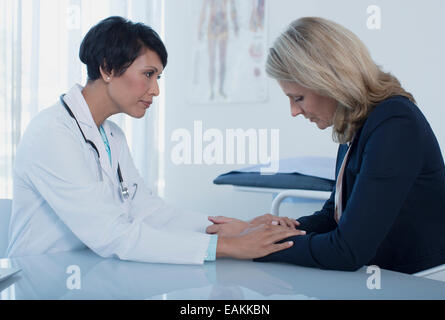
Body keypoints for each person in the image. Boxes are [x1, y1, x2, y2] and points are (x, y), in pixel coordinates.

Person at [7, 16, 302, 264]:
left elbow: (150, 212)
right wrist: (224, 248)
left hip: (91, 275)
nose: (155, 90)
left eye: (158, 77)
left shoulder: (112, 136)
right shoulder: (52, 134)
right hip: (41, 281)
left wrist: (234, 229)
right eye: (148, 74)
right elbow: (110, 233)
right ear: (108, 68)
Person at [208, 17, 445, 274]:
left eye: (298, 98)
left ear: (329, 81)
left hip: (422, 282)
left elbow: (347, 251)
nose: (293, 111)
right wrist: (265, 231)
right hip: (386, 276)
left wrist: (255, 245)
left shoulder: (394, 123)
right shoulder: (360, 124)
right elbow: (334, 216)